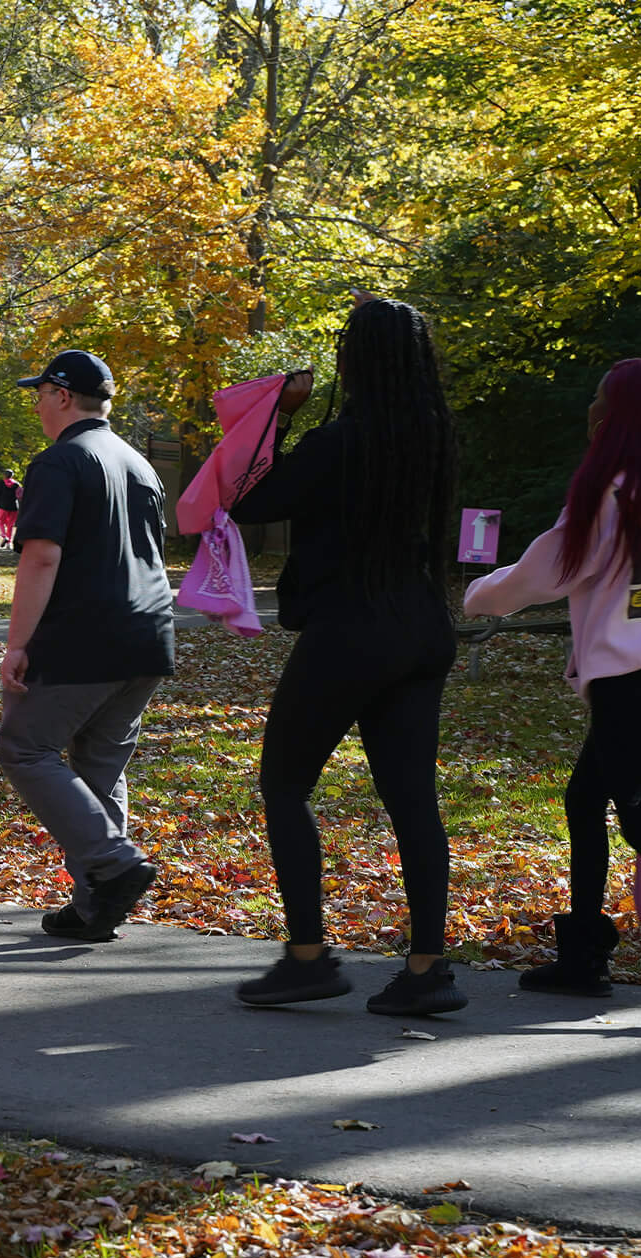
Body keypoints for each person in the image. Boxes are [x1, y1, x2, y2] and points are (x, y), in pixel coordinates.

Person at [229, 297, 465, 1017]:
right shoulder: (436, 435)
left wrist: (279, 411)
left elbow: (249, 500)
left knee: (285, 784)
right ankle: (428, 968)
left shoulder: (341, 440)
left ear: (354, 361)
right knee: (412, 799)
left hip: (351, 627)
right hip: (421, 624)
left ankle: (308, 956)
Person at [465, 358, 641, 996]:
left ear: (623, 415)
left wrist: (476, 596)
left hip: (628, 672)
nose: (590, 409)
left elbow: (551, 570)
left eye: (599, 397)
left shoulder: (615, 489)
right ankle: (583, 958)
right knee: (585, 800)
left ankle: (585, 960)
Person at [0, 351, 175, 944]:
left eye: (40, 392)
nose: (36, 403)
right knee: (101, 760)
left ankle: (114, 863)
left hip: (88, 635)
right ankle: (97, 904)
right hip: (148, 633)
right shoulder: (138, 462)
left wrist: (17, 643)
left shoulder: (60, 461)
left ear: (63, 396)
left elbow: (42, 555)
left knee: (25, 746)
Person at [0, 468, 22, 549]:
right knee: (10, 525)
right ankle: (8, 543)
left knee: (1, 522)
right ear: (12, 475)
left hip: (2, 506)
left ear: (4, 475)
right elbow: (21, 496)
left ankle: (4, 536)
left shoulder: (1, 483)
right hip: (14, 507)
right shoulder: (17, 484)